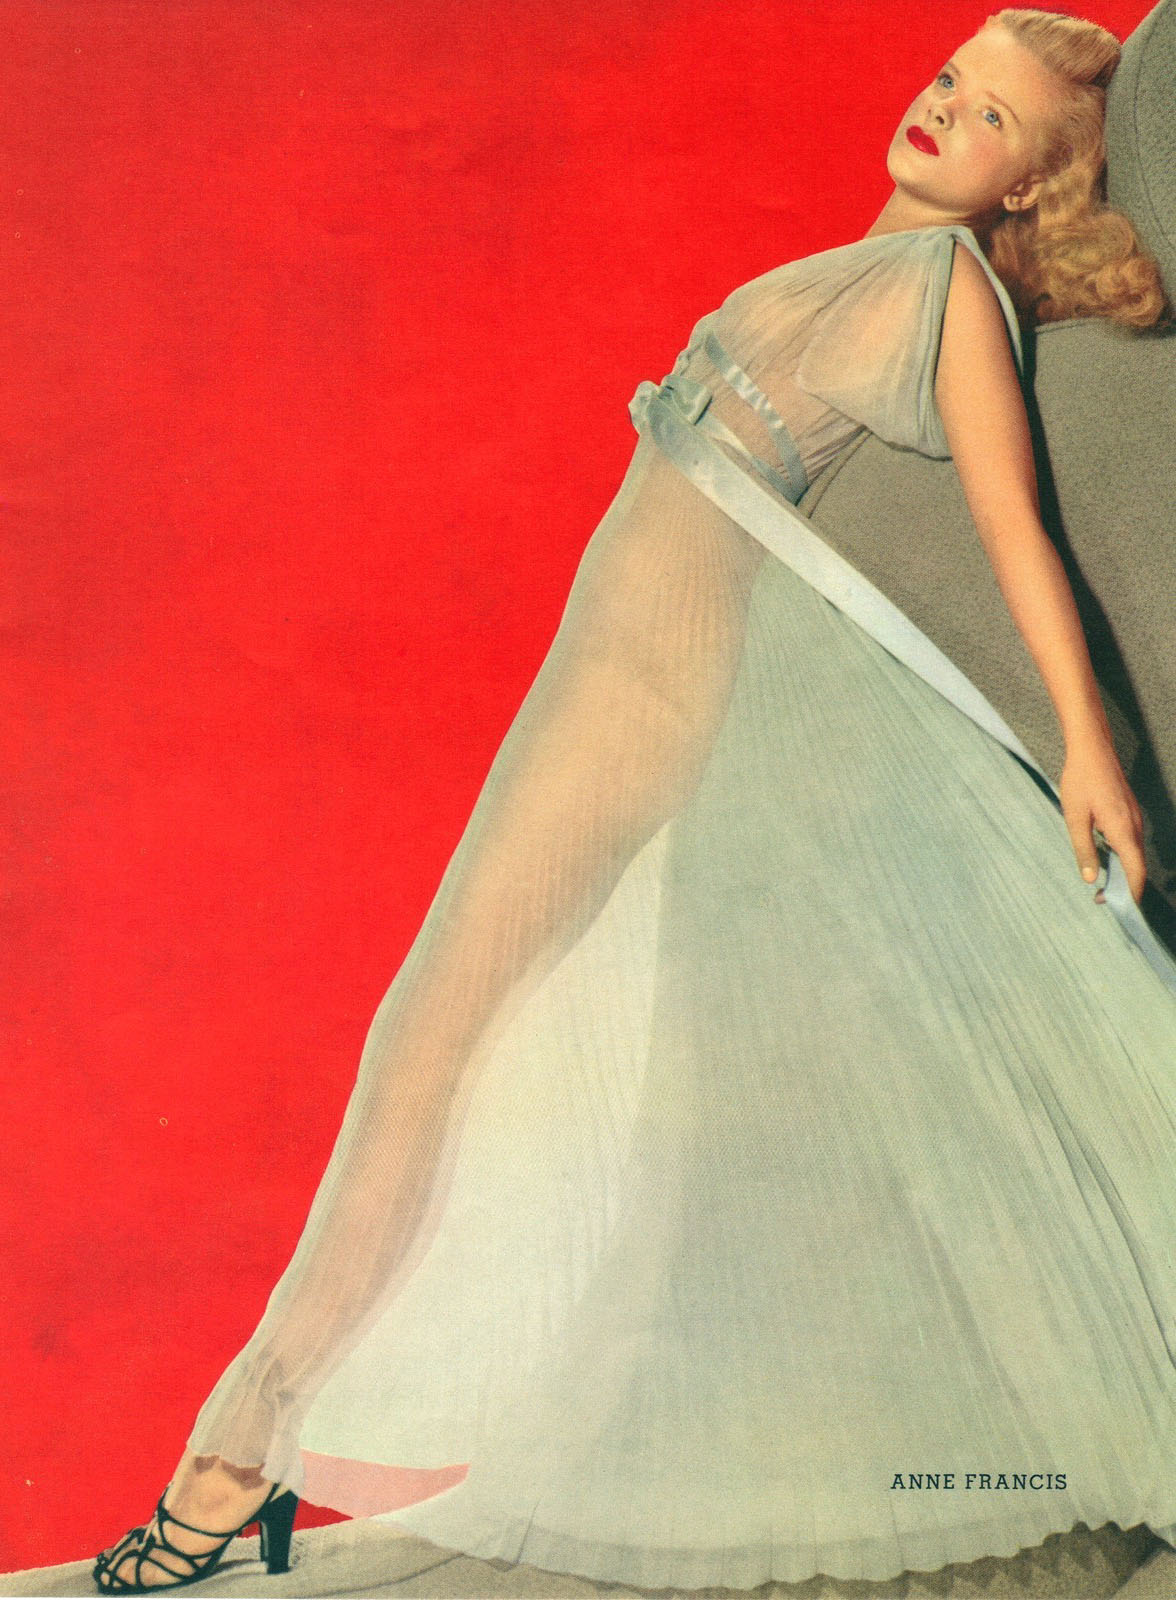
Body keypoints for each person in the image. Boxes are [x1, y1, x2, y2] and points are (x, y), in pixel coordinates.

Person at [93, 7, 1176, 1593]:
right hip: (585, 706)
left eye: (992, 117)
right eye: (953, 77)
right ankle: (248, 1448)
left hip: (648, 716)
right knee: (444, 1046)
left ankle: (232, 1462)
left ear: (1027, 186)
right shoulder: (867, 265)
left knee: (430, 1045)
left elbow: (1018, 527)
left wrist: (1087, 743)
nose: (944, 108)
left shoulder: (942, 291)